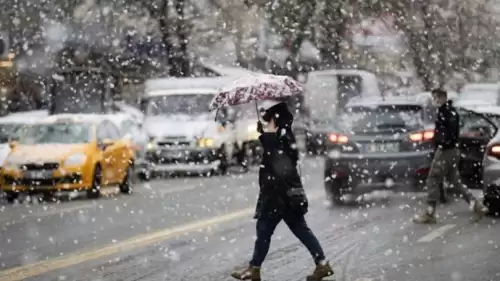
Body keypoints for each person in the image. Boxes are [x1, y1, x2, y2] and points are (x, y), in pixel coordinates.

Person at [231, 102, 334, 281]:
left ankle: (254, 269)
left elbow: (278, 162)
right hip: (286, 195)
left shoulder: (282, 136)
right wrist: (265, 135)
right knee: (300, 230)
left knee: (264, 230)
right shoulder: (283, 134)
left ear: (276, 119)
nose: (267, 123)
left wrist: (266, 137)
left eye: (269, 120)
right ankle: (322, 264)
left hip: (277, 195)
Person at [413, 89, 488, 224]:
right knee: (454, 181)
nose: (434, 100)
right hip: (452, 150)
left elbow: (446, 134)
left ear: (442, 98)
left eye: (436, 98)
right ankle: (475, 204)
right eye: (433, 98)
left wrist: (441, 142)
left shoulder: (445, 112)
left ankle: (430, 212)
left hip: (445, 151)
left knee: (433, 179)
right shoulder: (450, 111)